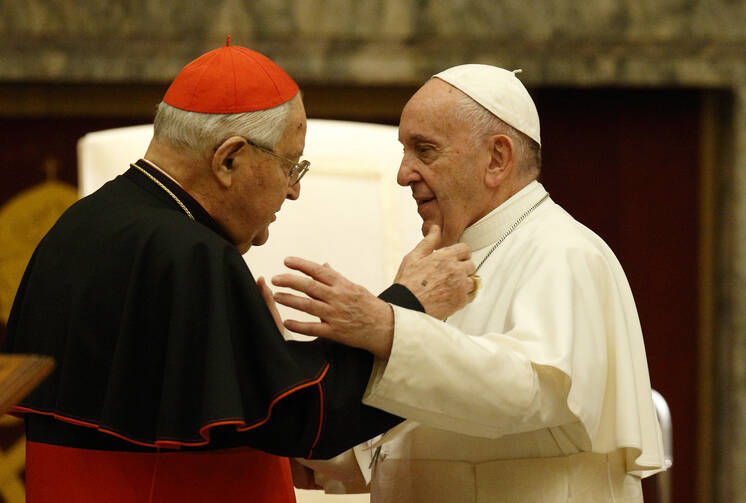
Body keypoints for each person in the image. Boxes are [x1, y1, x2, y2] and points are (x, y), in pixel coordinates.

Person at [0, 40, 477, 503]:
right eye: (291, 167)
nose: (292, 192)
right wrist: (406, 306)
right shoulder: (189, 253)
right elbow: (300, 417)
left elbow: (233, 405)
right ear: (229, 159)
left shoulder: (82, 224)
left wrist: (256, 354)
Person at [273, 64, 666, 502]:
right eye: (405, 151)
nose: (403, 174)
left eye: (425, 150)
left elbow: (531, 393)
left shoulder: (564, 252)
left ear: (497, 159)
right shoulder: (451, 256)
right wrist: (307, 438)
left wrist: (388, 328)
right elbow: (425, 432)